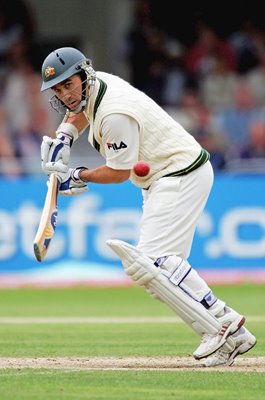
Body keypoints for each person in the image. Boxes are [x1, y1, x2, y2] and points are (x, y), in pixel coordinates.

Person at [39, 47, 256, 367]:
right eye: (58, 90)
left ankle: (223, 325)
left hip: (179, 173)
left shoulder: (114, 115)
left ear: (84, 76)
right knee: (157, 276)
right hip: (165, 177)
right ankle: (228, 329)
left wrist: (76, 175)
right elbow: (80, 110)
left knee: (153, 264)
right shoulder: (98, 85)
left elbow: (118, 172)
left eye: (68, 85)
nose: (66, 96)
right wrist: (65, 136)